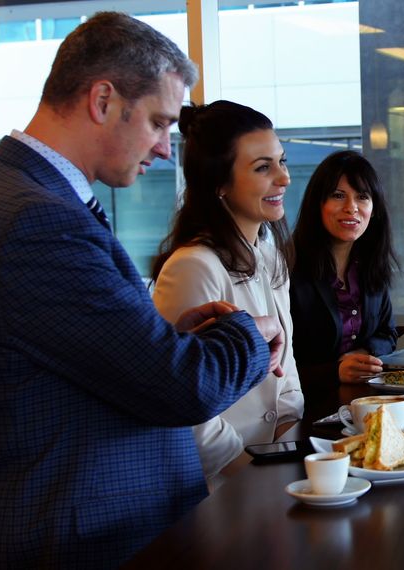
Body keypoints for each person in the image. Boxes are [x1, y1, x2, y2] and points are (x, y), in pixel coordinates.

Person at [0, 13, 284, 568]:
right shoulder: (36, 218)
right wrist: (249, 331)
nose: (166, 150)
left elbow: (70, 353)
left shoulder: (31, 196)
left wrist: (165, 336)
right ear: (103, 101)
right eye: (158, 122)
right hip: (68, 544)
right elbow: (181, 389)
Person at [151, 100, 303, 491]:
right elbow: (185, 406)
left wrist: (286, 455)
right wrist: (251, 473)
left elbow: (285, 376)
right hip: (219, 487)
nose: (284, 178)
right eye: (263, 167)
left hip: (273, 472)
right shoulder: (193, 267)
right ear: (218, 183)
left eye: (282, 162)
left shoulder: (268, 252)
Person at [289, 150, 400, 393]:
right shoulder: (289, 267)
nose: (351, 208)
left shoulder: (370, 263)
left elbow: (387, 332)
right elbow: (274, 365)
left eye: (362, 197)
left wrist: (364, 353)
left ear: (374, 208)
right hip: (302, 407)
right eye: (338, 196)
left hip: (360, 400)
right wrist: (335, 371)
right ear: (318, 204)